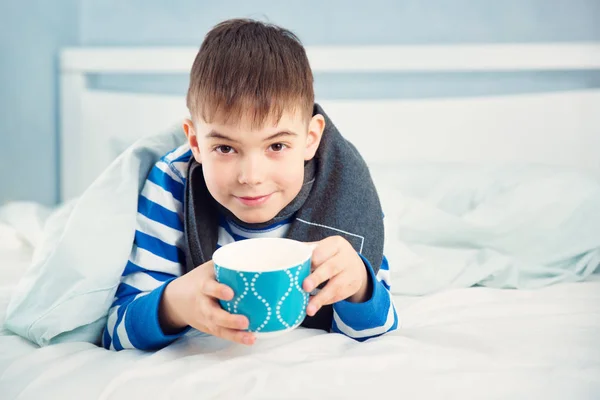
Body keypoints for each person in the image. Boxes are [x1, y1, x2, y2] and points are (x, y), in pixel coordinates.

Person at [102, 18, 398, 351]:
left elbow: (379, 328)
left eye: (276, 146)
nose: (251, 176)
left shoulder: (346, 189)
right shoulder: (172, 186)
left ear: (311, 139)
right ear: (196, 143)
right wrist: (173, 304)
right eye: (225, 148)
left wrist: (359, 285)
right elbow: (116, 332)